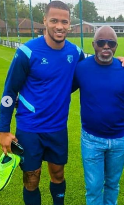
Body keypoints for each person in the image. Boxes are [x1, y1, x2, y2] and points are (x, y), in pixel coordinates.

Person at [0, 1, 85, 204]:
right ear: (45, 20)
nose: (59, 26)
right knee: (32, 178)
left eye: (64, 21)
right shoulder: (27, 52)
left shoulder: (75, 53)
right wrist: (3, 130)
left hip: (57, 129)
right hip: (30, 129)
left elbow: (90, 73)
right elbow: (9, 92)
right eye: (54, 20)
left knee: (58, 174)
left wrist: (118, 60)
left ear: (69, 24)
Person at [72, 26, 124, 205]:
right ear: (94, 44)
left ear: (116, 46)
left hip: (119, 141)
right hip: (91, 141)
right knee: (93, 188)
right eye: (101, 42)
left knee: (113, 185)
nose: (106, 46)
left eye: (111, 43)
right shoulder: (81, 68)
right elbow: (61, 91)